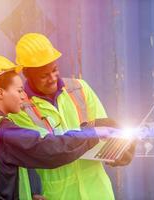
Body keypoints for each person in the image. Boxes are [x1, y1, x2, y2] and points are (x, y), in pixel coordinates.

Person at [0, 54, 118, 200]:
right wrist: (92, 133)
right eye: (19, 90)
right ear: (0, 93)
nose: (24, 96)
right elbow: (49, 149)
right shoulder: (3, 130)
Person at [9, 33, 135, 200]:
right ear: (27, 74)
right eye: (44, 75)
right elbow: (45, 152)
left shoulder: (80, 88)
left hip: (98, 192)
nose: (53, 78)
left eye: (54, 70)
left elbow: (104, 135)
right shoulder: (21, 109)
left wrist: (119, 149)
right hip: (58, 195)